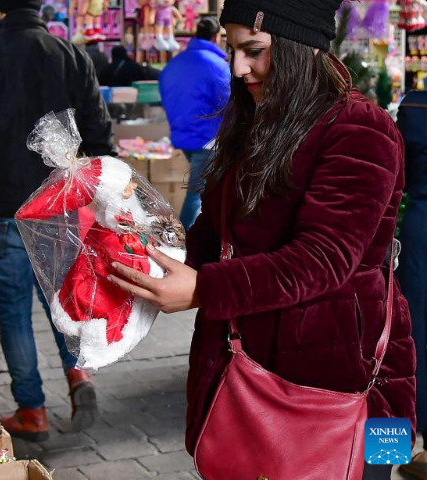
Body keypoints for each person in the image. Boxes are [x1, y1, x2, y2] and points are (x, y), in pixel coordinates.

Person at [108, 1, 415, 478]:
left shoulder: (361, 128)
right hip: (247, 371)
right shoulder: (259, 119)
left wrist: (204, 289)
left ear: (301, 47)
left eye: (254, 50)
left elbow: (323, 259)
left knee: (372, 468)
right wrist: (147, 247)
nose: (238, 67)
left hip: (347, 381)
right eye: (232, 50)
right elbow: (216, 230)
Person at [0, 0, 113, 441]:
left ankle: (32, 411)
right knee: (62, 299)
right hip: (61, 207)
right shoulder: (71, 55)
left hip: (3, 209)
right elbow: (99, 131)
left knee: (13, 315)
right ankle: (78, 375)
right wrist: (111, 196)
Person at [159, 16, 230, 229]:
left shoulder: (174, 64)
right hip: (207, 138)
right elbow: (230, 102)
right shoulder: (218, 65)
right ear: (216, 37)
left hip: (181, 136)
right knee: (196, 195)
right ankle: (182, 241)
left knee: (199, 192)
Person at [396, 90, 427, 479]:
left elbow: (397, 173)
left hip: (421, 230)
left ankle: (391, 451)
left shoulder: (415, 107)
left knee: (408, 337)